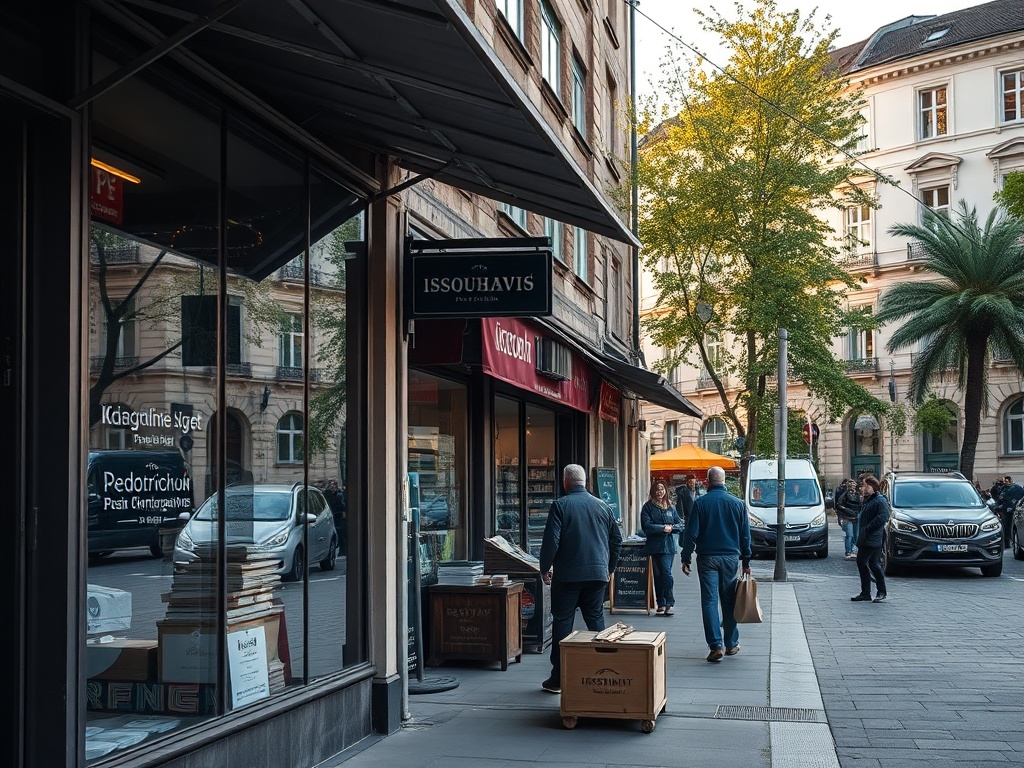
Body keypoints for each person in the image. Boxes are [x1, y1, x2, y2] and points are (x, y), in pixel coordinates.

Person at [539, 463, 622, 693]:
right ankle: (605, 669)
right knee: (595, 619)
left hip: (568, 576)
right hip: (597, 574)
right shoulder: (603, 506)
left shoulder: (560, 505)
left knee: (563, 622)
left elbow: (551, 541)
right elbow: (617, 540)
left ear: (565, 481)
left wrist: (544, 567)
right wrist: (609, 567)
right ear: (586, 483)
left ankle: (558, 678)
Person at [679, 465, 752, 662]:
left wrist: (685, 557)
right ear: (724, 480)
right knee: (729, 600)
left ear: (708, 481)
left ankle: (715, 645)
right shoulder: (737, 504)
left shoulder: (700, 503)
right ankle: (731, 643)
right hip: (730, 558)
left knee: (709, 601)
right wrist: (746, 560)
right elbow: (746, 536)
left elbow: (690, 534)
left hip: (707, 558)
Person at [640, 480, 684, 616]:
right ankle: (661, 603)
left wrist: (672, 528)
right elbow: (646, 527)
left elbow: (680, 525)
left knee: (666, 573)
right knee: (658, 575)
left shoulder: (670, 506)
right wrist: (663, 528)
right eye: (657, 490)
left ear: (666, 491)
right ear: (653, 491)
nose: (660, 492)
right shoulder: (648, 507)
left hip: (668, 547)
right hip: (654, 546)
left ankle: (670, 602)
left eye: (662, 489)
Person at [851, 475, 890, 603]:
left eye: (865, 485)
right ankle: (868, 592)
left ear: (873, 487)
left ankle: (877, 591)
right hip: (867, 537)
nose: (863, 488)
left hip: (872, 538)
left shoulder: (879, 500)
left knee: (864, 562)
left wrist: (868, 528)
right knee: (871, 563)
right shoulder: (870, 500)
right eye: (863, 485)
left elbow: (883, 517)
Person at [835, 478, 863, 559]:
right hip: (848, 517)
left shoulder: (858, 494)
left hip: (856, 516)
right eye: (851, 485)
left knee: (855, 535)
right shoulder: (844, 495)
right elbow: (839, 505)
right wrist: (847, 512)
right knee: (850, 535)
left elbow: (861, 505)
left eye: (854, 485)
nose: (852, 487)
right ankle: (848, 551)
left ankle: (853, 550)